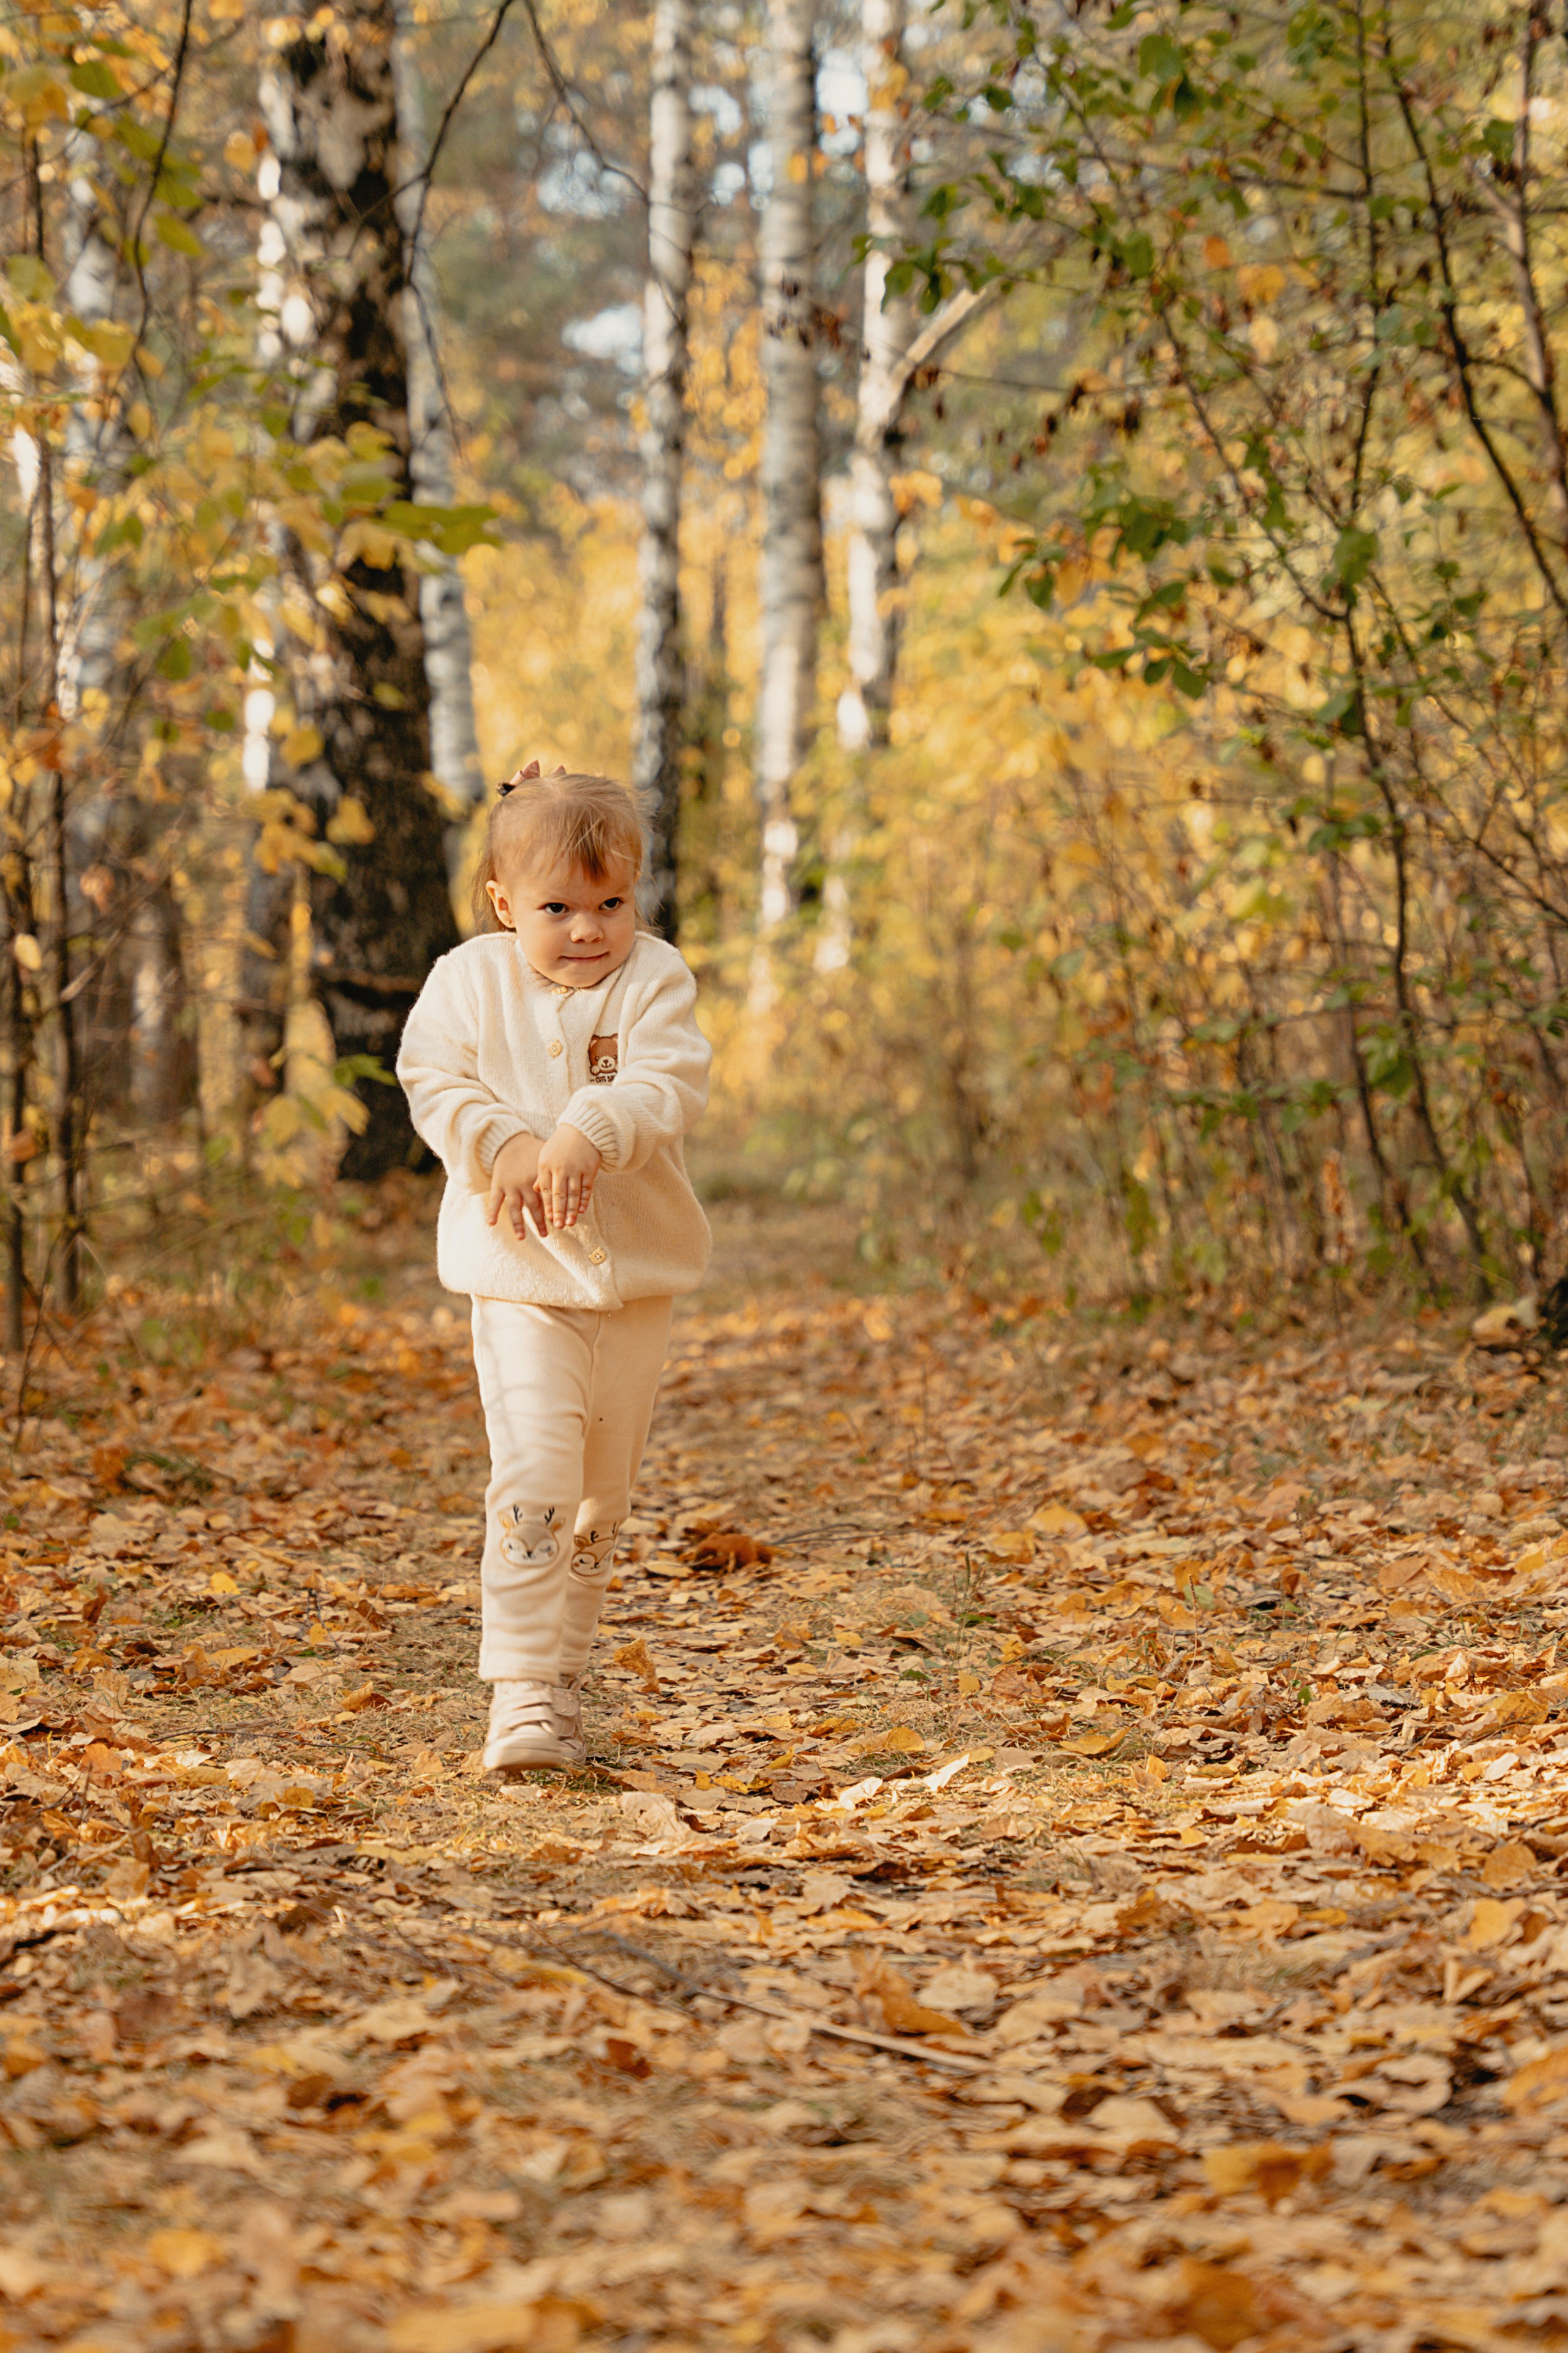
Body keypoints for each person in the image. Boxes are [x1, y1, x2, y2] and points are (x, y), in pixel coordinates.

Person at [397, 763, 711, 1772]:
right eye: (557, 908)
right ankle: (520, 1691)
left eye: (611, 903)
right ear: (502, 904)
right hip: (520, 1275)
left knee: (596, 1499)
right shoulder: (468, 980)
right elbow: (431, 1075)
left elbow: (671, 1082)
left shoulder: (654, 977)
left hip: (635, 1288)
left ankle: (562, 1684)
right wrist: (506, 1144)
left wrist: (588, 1127)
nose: (588, 930)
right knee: (533, 1475)